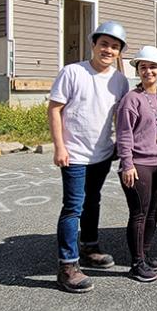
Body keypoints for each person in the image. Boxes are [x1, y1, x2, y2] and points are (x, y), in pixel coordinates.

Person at [48, 21, 129, 293]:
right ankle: (67, 266)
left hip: (103, 153)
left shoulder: (119, 80)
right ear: (93, 44)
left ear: (119, 53)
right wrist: (59, 146)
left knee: (93, 200)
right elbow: (55, 109)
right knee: (73, 206)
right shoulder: (72, 72)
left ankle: (89, 246)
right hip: (74, 154)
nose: (108, 50)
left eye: (115, 46)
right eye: (104, 44)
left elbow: (121, 115)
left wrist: (120, 143)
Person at [115, 46, 157, 283]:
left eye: (152, 67)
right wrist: (127, 164)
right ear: (138, 71)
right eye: (143, 67)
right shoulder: (131, 99)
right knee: (139, 213)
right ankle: (136, 263)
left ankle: (146, 252)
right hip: (138, 165)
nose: (148, 71)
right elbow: (124, 134)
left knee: (152, 212)